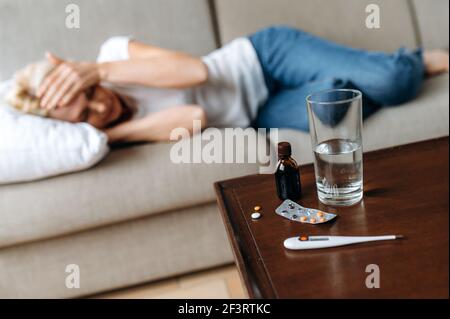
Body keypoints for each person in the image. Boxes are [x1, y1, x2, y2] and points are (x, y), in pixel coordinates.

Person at [8, 26, 449, 143]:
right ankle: (340, 79)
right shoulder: (108, 132)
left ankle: (414, 61)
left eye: (90, 95)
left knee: (392, 80)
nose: (99, 109)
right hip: (259, 113)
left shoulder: (112, 54)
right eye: (85, 115)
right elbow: (195, 117)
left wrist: (101, 72)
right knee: (334, 109)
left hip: (262, 57)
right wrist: (105, 133)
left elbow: (196, 72)